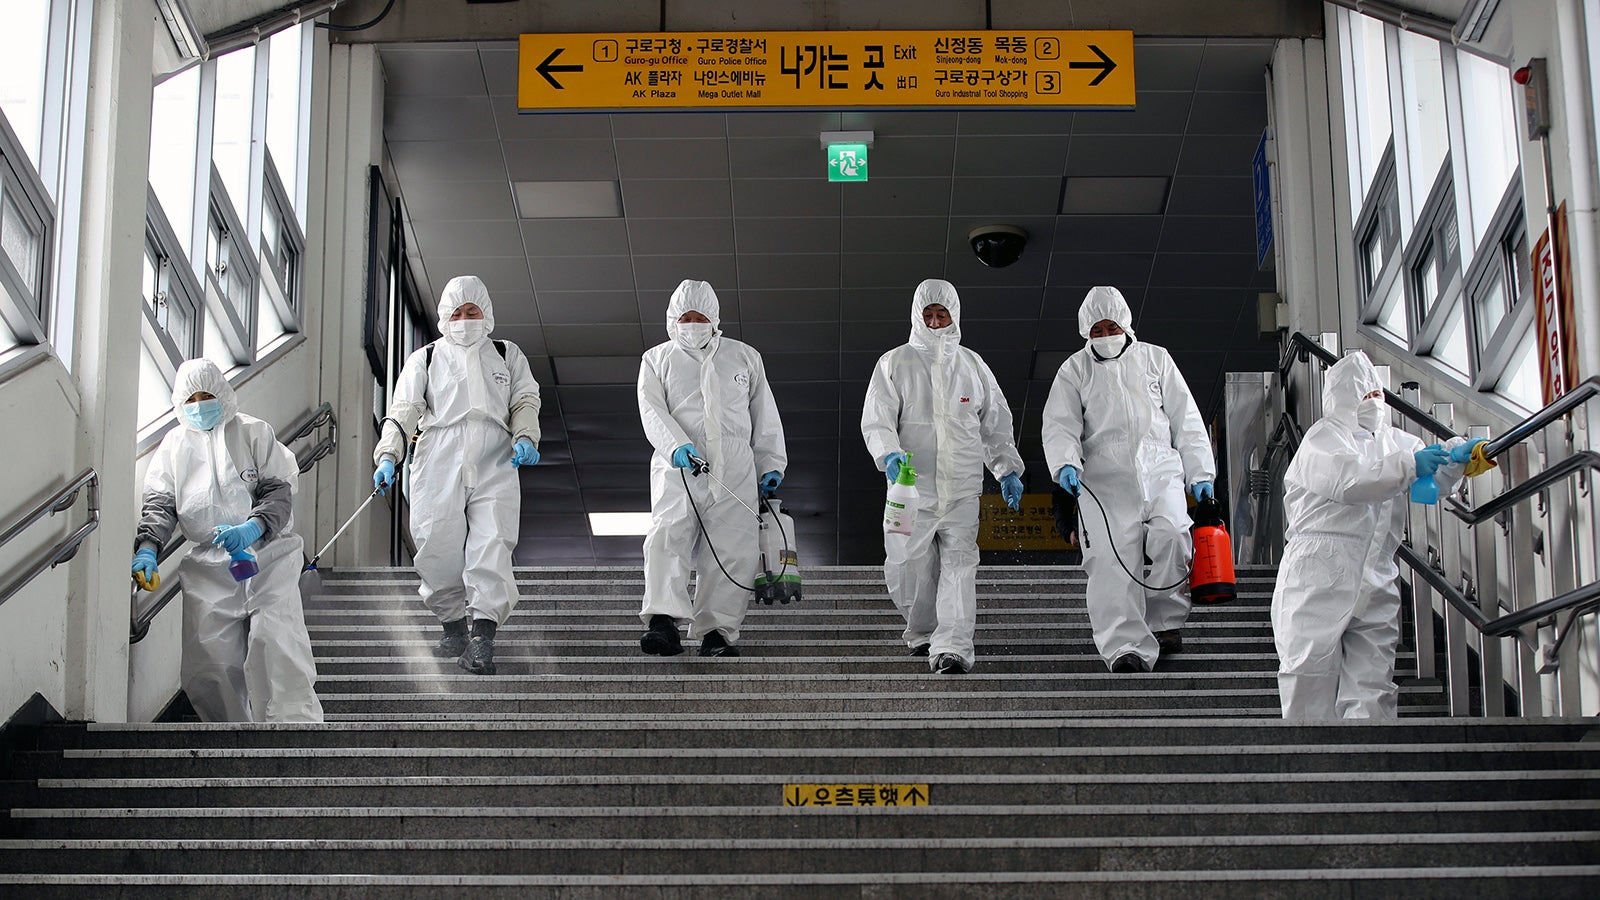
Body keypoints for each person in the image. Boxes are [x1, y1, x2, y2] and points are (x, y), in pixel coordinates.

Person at [1271, 351, 1479, 720]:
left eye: (1377, 394)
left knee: (1372, 681)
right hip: (1320, 569)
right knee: (1309, 674)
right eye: (1363, 395)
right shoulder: (1324, 438)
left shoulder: (1396, 442)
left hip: (1377, 571)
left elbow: (1431, 474)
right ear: (1342, 398)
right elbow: (1351, 482)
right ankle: (1309, 755)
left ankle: (1367, 755)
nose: (1373, 401)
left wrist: (1455, 458)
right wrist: (1411, 465)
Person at [131, 359, 323, 722]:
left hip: (267, 553)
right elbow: (160, 504)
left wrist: (252, 528)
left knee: (275, 637)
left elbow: (278, 492)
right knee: (210, 655)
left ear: (222, 393)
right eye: (191, 399)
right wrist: (148, 548)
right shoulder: (174, 447)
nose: (199, 405)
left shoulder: (253, 432)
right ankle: (230, 733)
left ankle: (293, 727)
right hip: (210, 562)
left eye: (206, 395)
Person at [373, 275, 542, 676]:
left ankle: (483, 636)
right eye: (457, 313)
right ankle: (452, 626)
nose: (465, 320)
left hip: (496, 454)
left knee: (492, 540)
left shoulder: (506, 353)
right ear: (444, 317)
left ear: (487, 313)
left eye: (472, 311)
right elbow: (404, 409)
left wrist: (525, 436)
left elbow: (525, 399)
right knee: (436, 542)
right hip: (438, 452)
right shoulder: (427, 357)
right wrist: (388, 455)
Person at [1041, 286, 1216, 673]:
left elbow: (1185, 418)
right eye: (1097, 330)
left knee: (1173, 537)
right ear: (1086, 332)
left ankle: (1164, 623)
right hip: (1104, 478)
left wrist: (1200, 471)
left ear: (1126, 324)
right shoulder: (1074, 370)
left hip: (1160, 469)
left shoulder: (1156, 359)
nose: (1106, 336)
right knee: (1111, 559)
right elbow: (1059, 423)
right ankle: (1124, 646)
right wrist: (1065, 463)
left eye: (1112, 327)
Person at [860, 279, 1025, 675]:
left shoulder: (972, 365)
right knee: (905, 563)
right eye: (928, 314)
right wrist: (888, 452)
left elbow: (995, 423)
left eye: (942, 314)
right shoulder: (895, 363)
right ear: (917, 316)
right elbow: (878, 418)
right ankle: (922, 631)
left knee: (960, 566)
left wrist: (1007, 469)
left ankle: (953, 646)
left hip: (962, 488)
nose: (935, 322)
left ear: (955, 316)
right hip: (909, 489)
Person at [637, 279, 787, 658]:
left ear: (714, 318)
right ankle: (663, 622)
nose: (693, 324)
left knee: (733, 547)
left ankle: (717, 632)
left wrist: (770, 462)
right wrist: (676, 445)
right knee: (667, 537)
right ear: (673, 319)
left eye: (700, 317)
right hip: (678, 466)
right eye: (685, 317)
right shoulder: (657, 358)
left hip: (735, 466)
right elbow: (651, 408)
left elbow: (763, 413)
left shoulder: (744, 356)